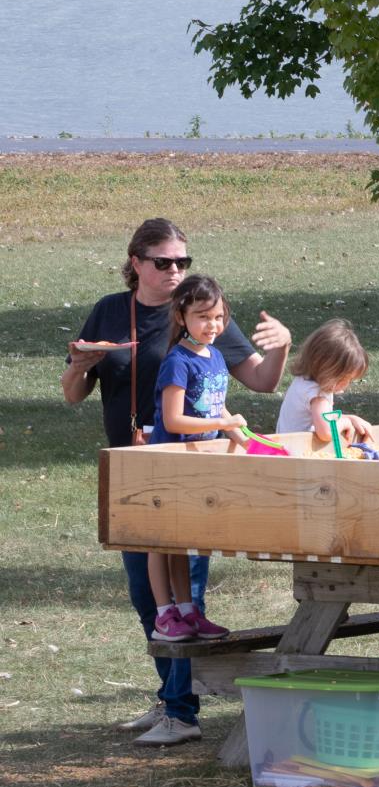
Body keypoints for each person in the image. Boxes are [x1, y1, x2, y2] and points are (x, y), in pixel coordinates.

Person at [62, 218, 291, 747]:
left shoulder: (199, 311)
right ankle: (171, 697)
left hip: (187, 476)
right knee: (148, 595)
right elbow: (74, 393)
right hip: (130, 474)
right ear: (136, 262)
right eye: (163, 262)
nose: (174, 271)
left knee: (183, 586)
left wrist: (280, 345)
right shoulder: (110, 311)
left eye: (182, 262)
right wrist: (79, 366)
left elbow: (260, 381)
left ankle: (183, 712)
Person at [145, 273, 246, 644]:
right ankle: (163, 615)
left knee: (182, 542)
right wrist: (221, 421)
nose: (213, 325)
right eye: (203, 316)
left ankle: (188, 611)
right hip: (167, 462)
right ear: (181, 316)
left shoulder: (216, 356)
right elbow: (172, 419)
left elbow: (217, 406)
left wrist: (241, 437)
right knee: (160, 542)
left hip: (197, 466)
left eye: (218, 317)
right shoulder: (177, 361)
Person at [276, 319, 374, 447]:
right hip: (299, 455)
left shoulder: (303, 381)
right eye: (345, 378)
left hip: (285, 447)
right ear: (328, 370)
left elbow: (320, 419)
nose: (347, 384)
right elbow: (326, 432)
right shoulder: (318, 395)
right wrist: (344, 423)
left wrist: (348, 418)